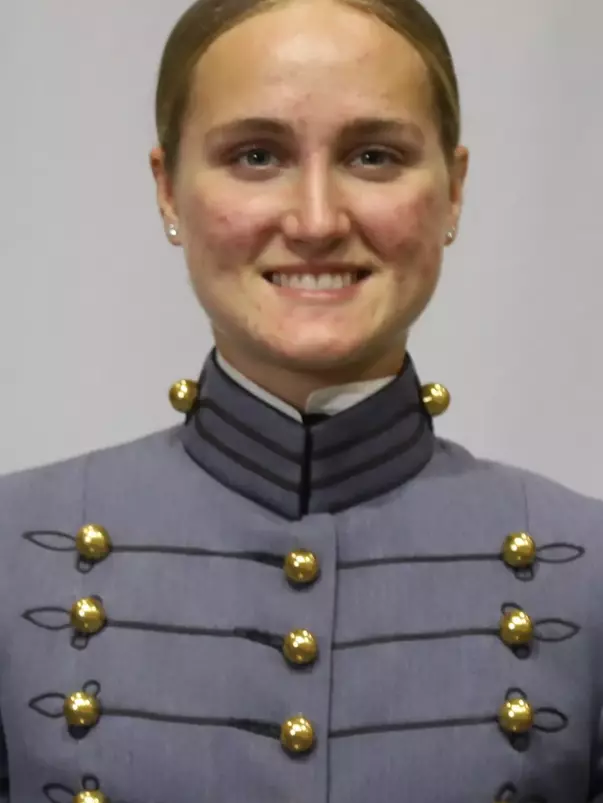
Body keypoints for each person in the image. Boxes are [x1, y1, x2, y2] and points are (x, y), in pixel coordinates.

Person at [0, 0, 601, 800]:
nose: (316, 220)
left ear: (453, 191)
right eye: (255, 155)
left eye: (374, 156)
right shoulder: (10, 553)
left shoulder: (586, 569)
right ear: (168, 190)